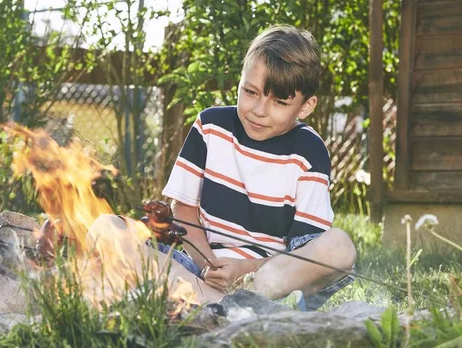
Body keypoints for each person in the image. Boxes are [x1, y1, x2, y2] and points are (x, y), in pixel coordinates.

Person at [88, 25, 356, 310]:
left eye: (278, 102)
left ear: (305, 106)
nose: (259, 110)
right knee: (106, 227)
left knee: (338, 246)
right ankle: (218, 305)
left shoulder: (309, 150)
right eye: (250, 92)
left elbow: (304, 249)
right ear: (239, 82)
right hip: (197, 268)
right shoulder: (210, 127)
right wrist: (209, 266)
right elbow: (185, 212)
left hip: (268, 282)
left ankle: (213, 303)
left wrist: (246, 271)